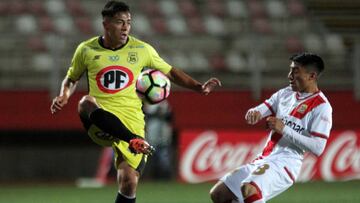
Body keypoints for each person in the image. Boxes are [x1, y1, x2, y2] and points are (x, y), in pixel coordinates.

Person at [50, 1, 221, 203]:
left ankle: (132, 139)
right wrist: (64, 95)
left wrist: (198, 87)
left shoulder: (142, 50)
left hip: (131, 119)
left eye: (128, 22)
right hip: (100, 120)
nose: (125, 28)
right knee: (86, 102)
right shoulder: (86, 50)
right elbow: (71, 78)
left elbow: (171, 72)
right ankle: (132, 139)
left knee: (129, 182)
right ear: (106, 24)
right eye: (119, 22)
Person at [210, 53, 332, 203]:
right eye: (290, 71)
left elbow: (318, 147)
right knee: (219, 194)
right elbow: (260, 109)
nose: (289, 76)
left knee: (249, 189)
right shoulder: (285, 93)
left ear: (312, 76)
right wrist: (253, 113)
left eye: (295, 72)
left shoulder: (322, 106)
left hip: (286, 163)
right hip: (264, 159)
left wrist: (284, 129)